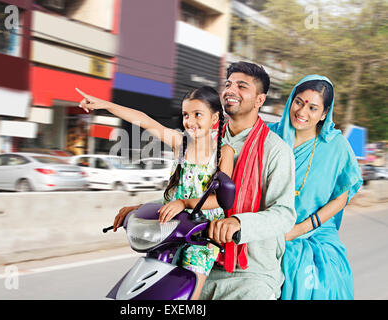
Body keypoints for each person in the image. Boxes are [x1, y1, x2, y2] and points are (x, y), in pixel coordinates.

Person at [78, 86, 235, 300]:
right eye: (186, 115)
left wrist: (184, 203)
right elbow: (144, 120)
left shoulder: (224, 152)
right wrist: (105, 105)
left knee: (189, 297)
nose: (190, 121)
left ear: (215, 117)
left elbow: (219, 200)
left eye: (198, 114)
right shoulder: (181, 143)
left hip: (201, 234)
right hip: (170, 228)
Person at [200, 61, 297, 300]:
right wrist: (149, 206)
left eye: (241, 86)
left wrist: (238, 223)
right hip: (200, 261)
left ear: (260, 100)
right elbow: (188, 189)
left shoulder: (276, 150)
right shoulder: (205, 142)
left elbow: (284, 214)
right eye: (228, 84)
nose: (230, 90)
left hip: (251, 273)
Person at [267, 75, 363, 300]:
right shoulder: (268, 135)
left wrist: (299, 230)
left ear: (324, 113)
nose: (302, 112)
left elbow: (341, 197)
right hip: (269, 223)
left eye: (313, 108)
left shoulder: (336, 146)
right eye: (298, 102)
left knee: (324, 280)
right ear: (291, 100)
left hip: (315, 230)